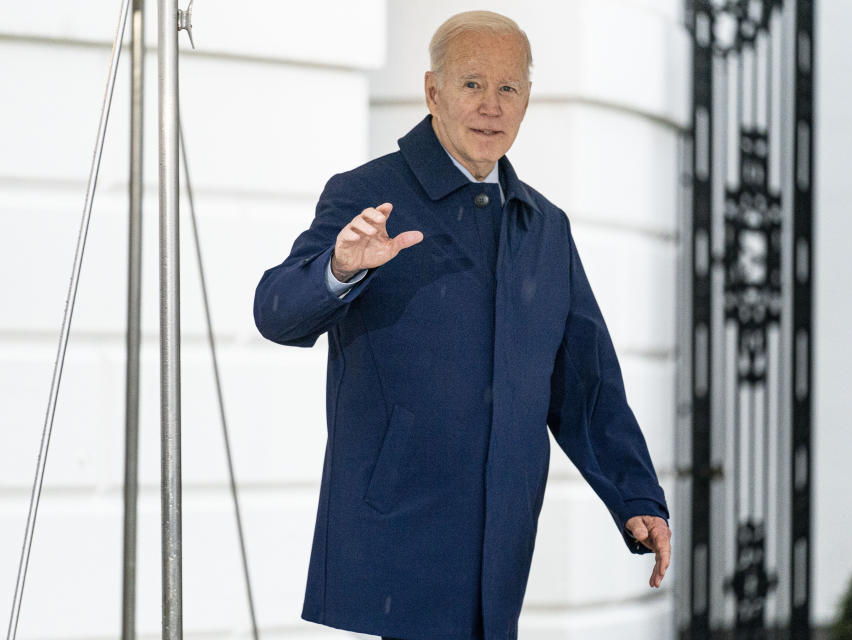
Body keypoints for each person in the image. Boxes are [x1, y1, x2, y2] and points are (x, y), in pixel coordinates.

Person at [253, 10, 671, 640]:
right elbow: (275, 312)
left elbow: (585, 383)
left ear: (527, 100)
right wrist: (339, 268)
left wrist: (636, 496)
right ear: (433, 91)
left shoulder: (544, 226)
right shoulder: (367, 194)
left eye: (509, 88)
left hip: (501, 535)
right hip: (397, 531)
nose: (491, 106)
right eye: (472, 84)